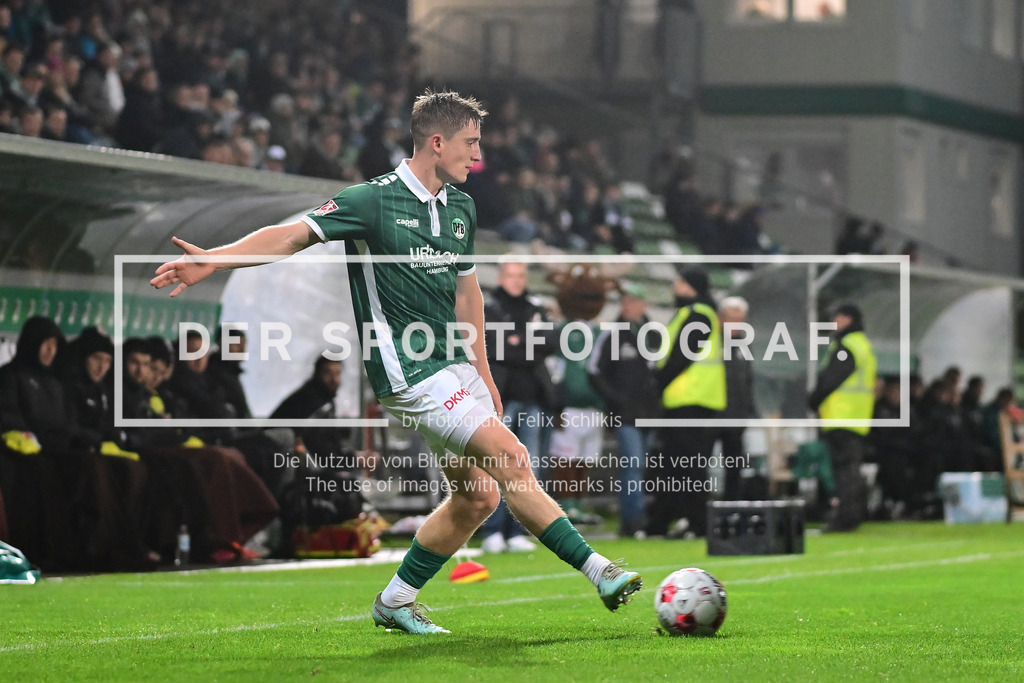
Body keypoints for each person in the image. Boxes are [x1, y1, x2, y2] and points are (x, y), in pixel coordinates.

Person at [151, 89, 641, 634]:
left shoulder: (461, 208)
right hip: (408, 373)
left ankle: (395, 601)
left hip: (456, 370)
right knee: (512, 457)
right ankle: (601, 571)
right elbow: (290, 236)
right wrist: (215, 262)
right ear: (437, 142)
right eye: (469, 144)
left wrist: (482, 371)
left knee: (476, 498)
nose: (475, 157)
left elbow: (468, 296)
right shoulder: (371, 201)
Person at [478, 259, 559, 553]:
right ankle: (493, 529)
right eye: (511, 275)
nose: (516, 280)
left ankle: (516, 531)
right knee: (498, 465)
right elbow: (493, 344)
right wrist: (527, 343)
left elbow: (551, 341)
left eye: (520, 275)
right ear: (501, 277)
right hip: (502, 400)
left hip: (534, 400)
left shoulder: (536, 307)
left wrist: (516, 342)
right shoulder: (490, 307)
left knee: (530, 468)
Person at [649, 266, 726, 538]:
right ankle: (667, 521)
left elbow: (681, 356)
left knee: (687, 465)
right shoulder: (694, 314)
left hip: (690, 399)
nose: (674, 288)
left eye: (679, 283)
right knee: (677, 465)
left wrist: (658, 382)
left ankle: (697, 522)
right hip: (687, 399)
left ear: (689, 286)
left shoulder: (698, 315)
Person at [586, 281, 661, 537]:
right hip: (625, 415)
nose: (629, 305)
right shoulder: (612, 333)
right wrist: (615, 399)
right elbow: (594, 370)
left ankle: (639, 519)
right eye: (626, 301)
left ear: (644, 304)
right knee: (632, 465)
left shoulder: (653, 334)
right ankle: (633, 521)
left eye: (634, 301)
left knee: (643, 467)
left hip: (650, 415)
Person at [808, 303, 877, 532]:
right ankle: (854, 515)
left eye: (836, 317)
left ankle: (845, 518)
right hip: (857, 416)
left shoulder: (846, 345)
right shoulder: (862, 345)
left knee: (844, 470)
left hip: (841, 415)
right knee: (851, 469)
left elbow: (832, 377)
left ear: (847, 318)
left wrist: (814, 399)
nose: (833, 322)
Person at [715, 296, 756, 499]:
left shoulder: (744, 345)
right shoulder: (711, 342)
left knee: (734, 465)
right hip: (711, 413)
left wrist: (748, 410)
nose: (736, 324)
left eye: (740, 320)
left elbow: (748, 380)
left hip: (736, 415)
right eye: (732, 319)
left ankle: (732, 506)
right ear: (721, 319)